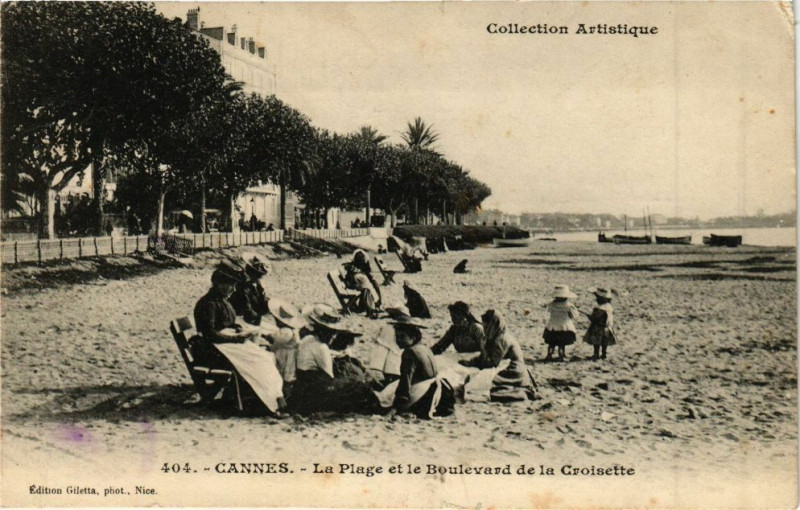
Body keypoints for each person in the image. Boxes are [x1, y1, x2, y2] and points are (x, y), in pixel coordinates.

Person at [193, 261, 286, 415]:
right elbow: (210, 333)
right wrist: (236, 339)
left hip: (221, 344)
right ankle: (268, 400)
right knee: (260, 359)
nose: (233, 289)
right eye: (231, 285)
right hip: (212, 350)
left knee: (265, 357)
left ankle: (269, 397)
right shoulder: (209, 303)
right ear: (219, 284)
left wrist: (236, 328)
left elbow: (223, 323)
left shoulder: (220, 300)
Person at [289, 304, 378, 414]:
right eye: (332, 333)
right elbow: (329, 374)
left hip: (302, 385)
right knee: (356, 383)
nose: (334, 337)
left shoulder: (308, 339)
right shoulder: (321, 347)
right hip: (314, 388)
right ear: (325, 332)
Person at [383, 314, 455, 419]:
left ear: (413, 337)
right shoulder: (424, 348)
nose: (398, 340)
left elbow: (405, 381)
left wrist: (396, 407)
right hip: (441, 392)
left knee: (383, 401)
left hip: (425, 393)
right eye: (397, 337)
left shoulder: (409, 352)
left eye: (402, 337)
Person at [461, 310, 536, 402]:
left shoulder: (502, 339)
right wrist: (471, 362)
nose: (485, 329)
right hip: (505, 366)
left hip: (513, 371)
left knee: (481, 382)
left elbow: (491, 363)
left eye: (487, 326)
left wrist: (482, 347)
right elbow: (485, 357)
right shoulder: (495, 336)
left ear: (494, 325)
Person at [265, 298, 305, 397]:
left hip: (285, 355)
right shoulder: (294, 330)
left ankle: (284, 394)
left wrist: (267, 336)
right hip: (289, 354)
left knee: (283, 374)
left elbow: (276, 338)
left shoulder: (286, 331)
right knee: (288, 375)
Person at [230, 252, 270, 326]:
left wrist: (271, 305)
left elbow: (262, 298)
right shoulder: (242, 285)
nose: (260, 278)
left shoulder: (256, 283)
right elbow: (247, 310)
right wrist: (261, 316)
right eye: (259, 275)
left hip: (252, 317)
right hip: (240, 319)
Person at [543, 284, 578, 362]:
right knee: (561, 344)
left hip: (552, 326)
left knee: (551, 343)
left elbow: (548, 311)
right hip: (564, 326)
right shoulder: (568, 305)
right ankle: (561, 356)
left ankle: (549, 355)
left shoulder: (551, 304)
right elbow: (573, 316)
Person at [342, 250, 382, 317]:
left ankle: (377, 304)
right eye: (359, 260)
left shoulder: (364, 265)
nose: (361, 261)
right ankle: (371, 307)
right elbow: (349, 279)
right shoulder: (352, 266)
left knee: (374, 284)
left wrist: (370, 278)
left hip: (360, 283)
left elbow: (367, 274)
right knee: (366, 289)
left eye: (362, 260)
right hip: (353, 284)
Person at [583, 287, 617, 360]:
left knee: (596, 342)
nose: (596, 299)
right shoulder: (609, 306)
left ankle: (596, 354)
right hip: (607, 326)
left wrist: (589, 316)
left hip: (598, 327)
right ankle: (604, 354)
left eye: (598, 297)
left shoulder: (601, 308)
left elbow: (595, 318)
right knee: (604, 342)